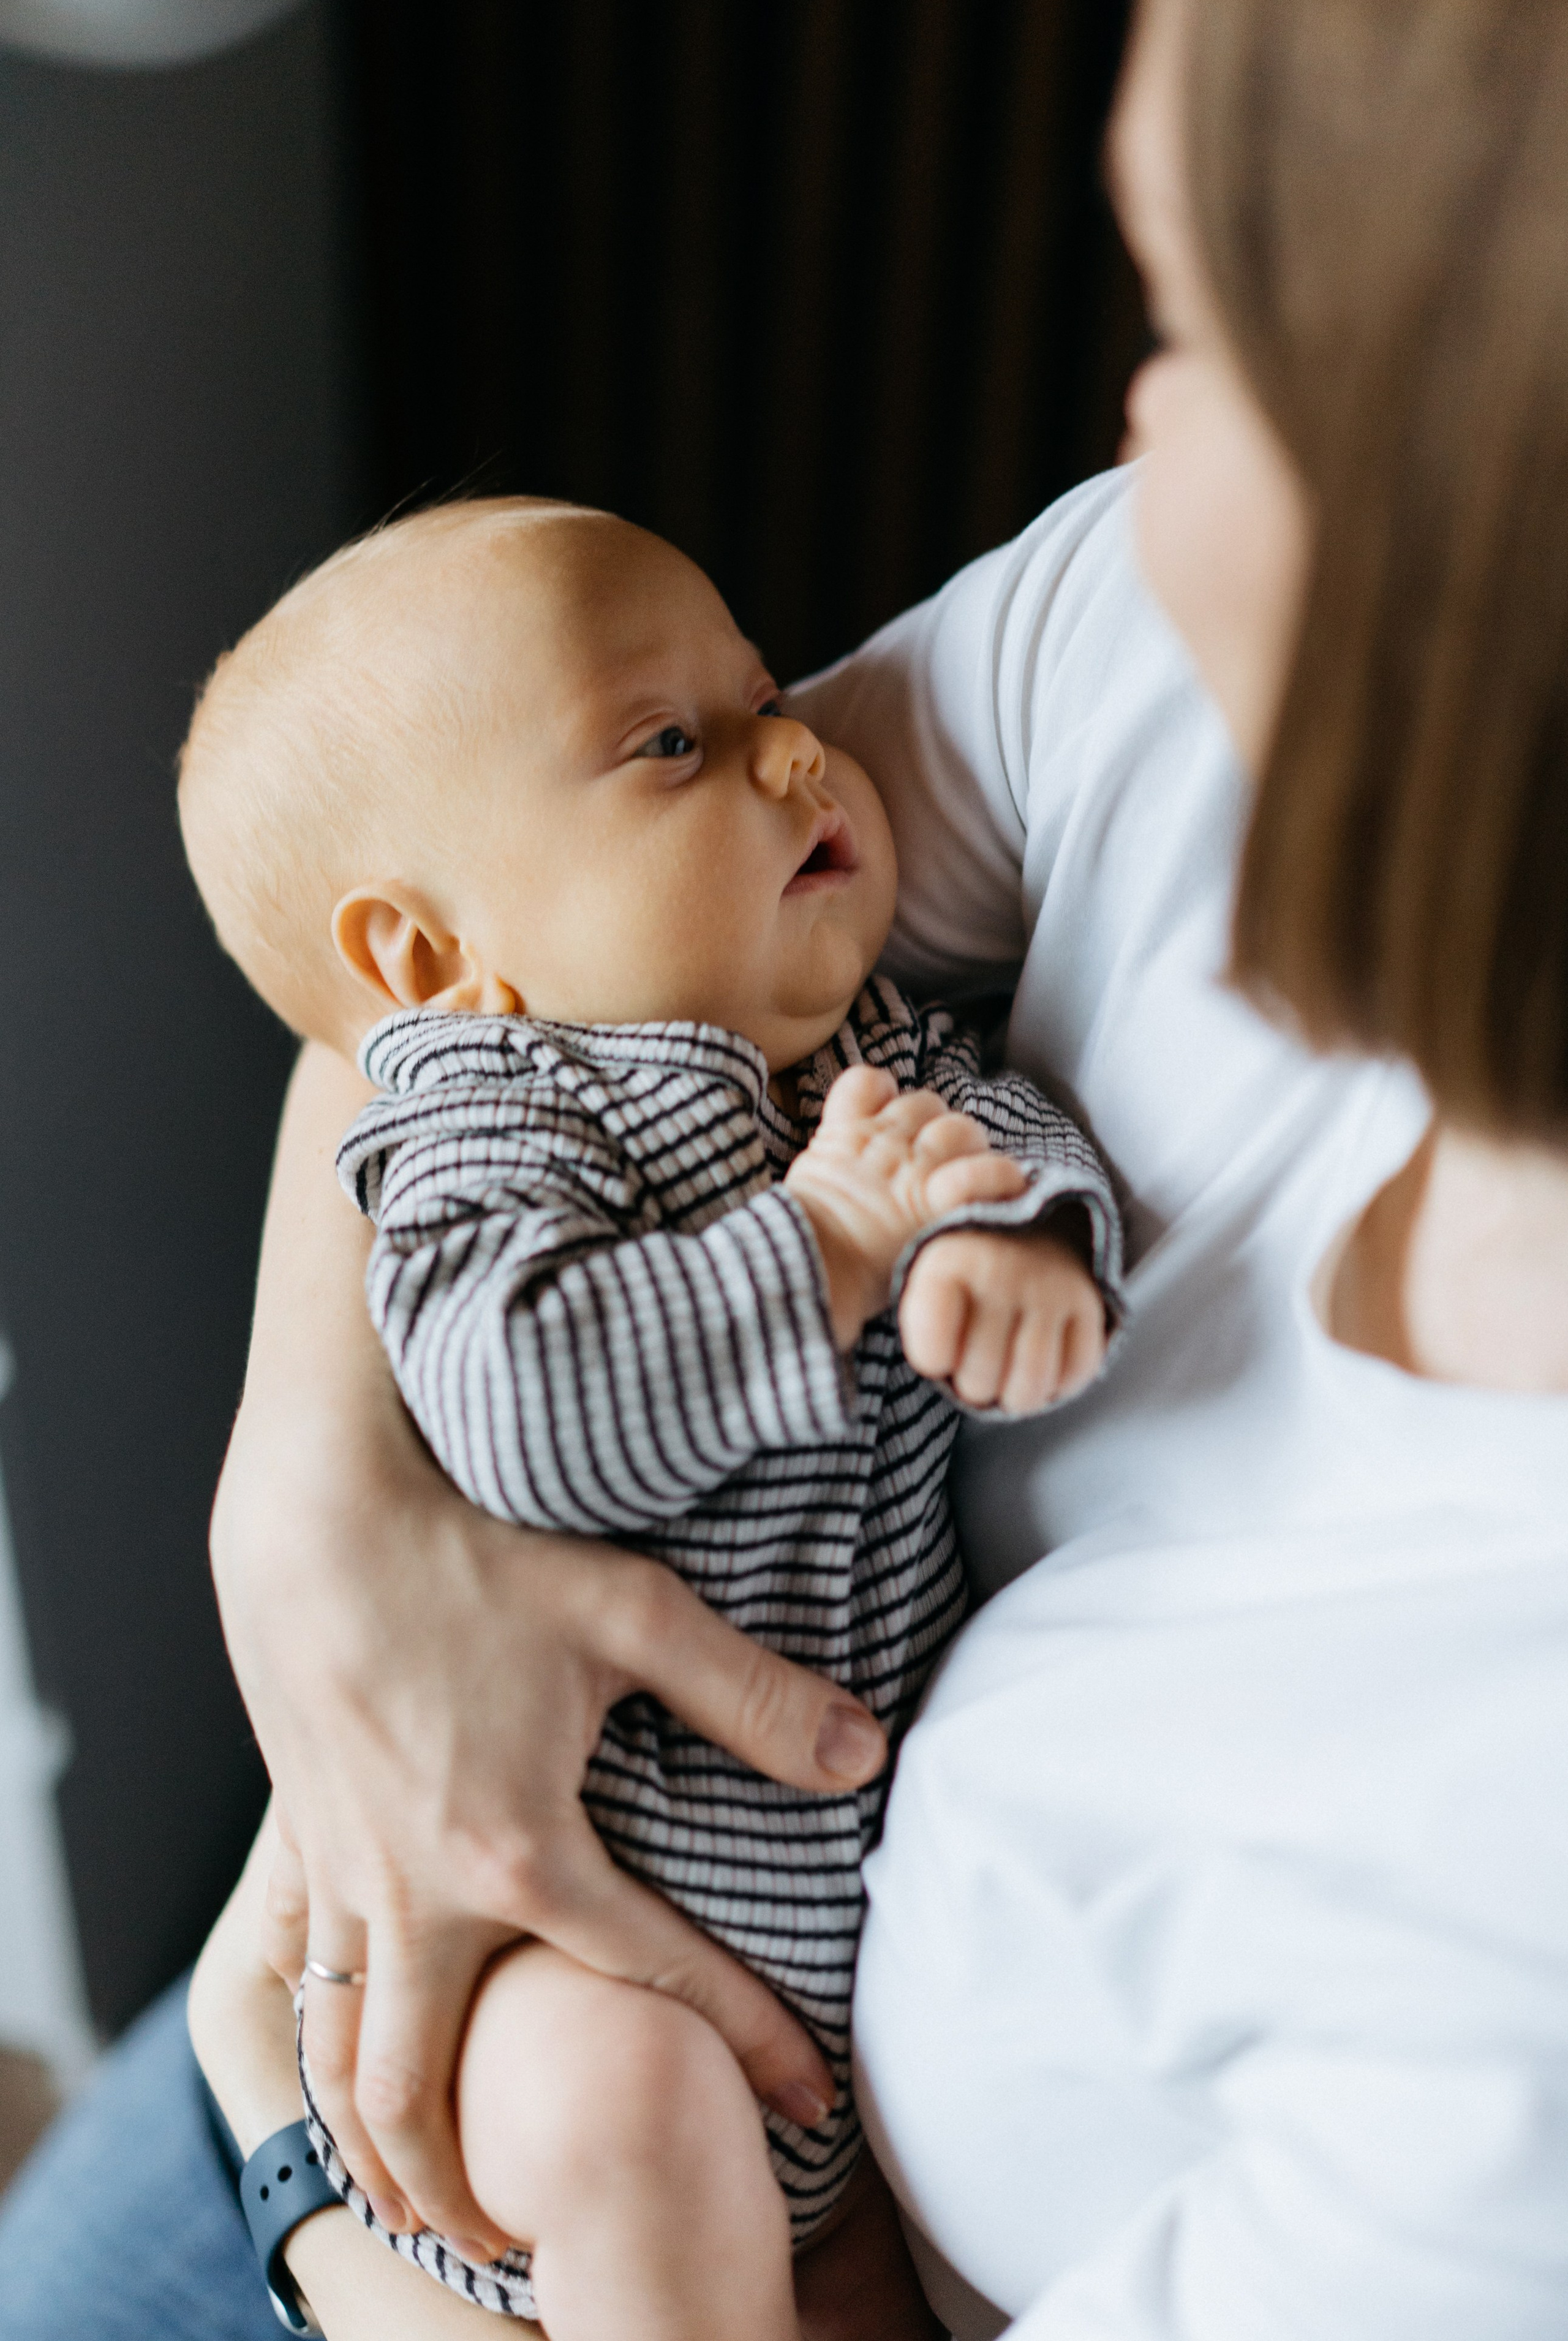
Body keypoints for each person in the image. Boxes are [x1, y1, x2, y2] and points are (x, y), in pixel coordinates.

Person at [3, 0, 1565, 2334]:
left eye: (1220, 336)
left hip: (514, 2187)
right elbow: (480, 984)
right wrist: (306, 1518)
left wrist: (293, 2172)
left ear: (1462, 493)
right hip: (456, 1972)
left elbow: (862, 1073)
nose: (1127, 431)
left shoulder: (1498, 1934)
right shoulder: (1135, 656)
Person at [175, 498, 1121, 2339]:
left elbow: (1005, 1132)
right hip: (547, 1991)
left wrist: (1021, 1227)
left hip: (835, 2054)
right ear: (434, 968)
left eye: (768, 695)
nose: (796, 745)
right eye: (671, 742)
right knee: (637, 2113)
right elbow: (533, 1404)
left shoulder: (862, 1057)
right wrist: (833, 1242)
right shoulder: (488, 1131)